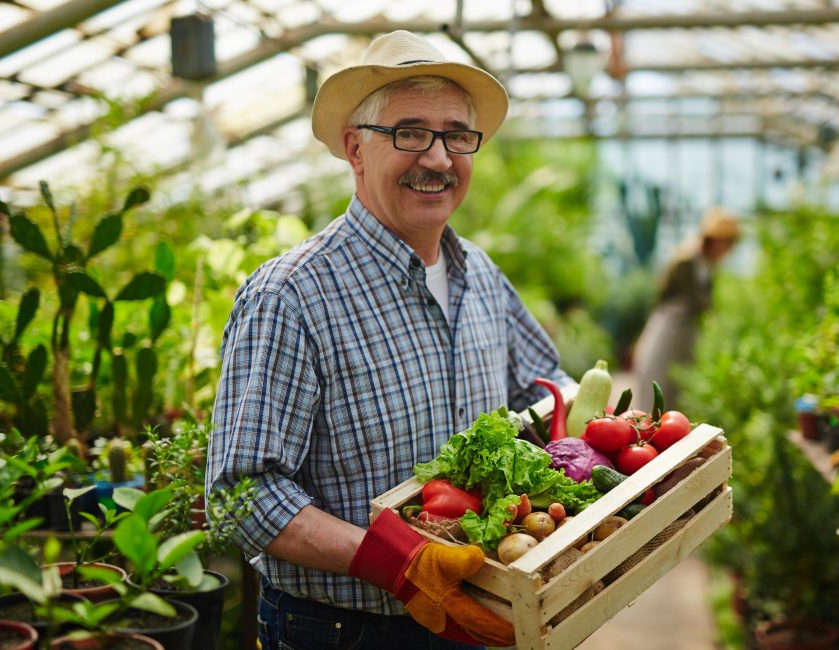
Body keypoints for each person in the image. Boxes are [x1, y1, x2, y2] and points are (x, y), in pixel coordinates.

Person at [206, 30, 571, 650]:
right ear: (355, 148)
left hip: (480, 613)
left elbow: (544, 392)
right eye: (410, 132)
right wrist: (398, 564)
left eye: (457, 135)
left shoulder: (478, 273)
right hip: (347, 631)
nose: (437, 158)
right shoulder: (292, 296)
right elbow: (243, 495)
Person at [632, 206, 740, 410]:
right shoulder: (686, 261)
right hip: (669, 328)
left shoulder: (707, 265)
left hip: (686, 333)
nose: (729, 250)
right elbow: (667, 298)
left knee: (676, 391)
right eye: (728, 243)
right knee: (658, 382)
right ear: (715, 240)